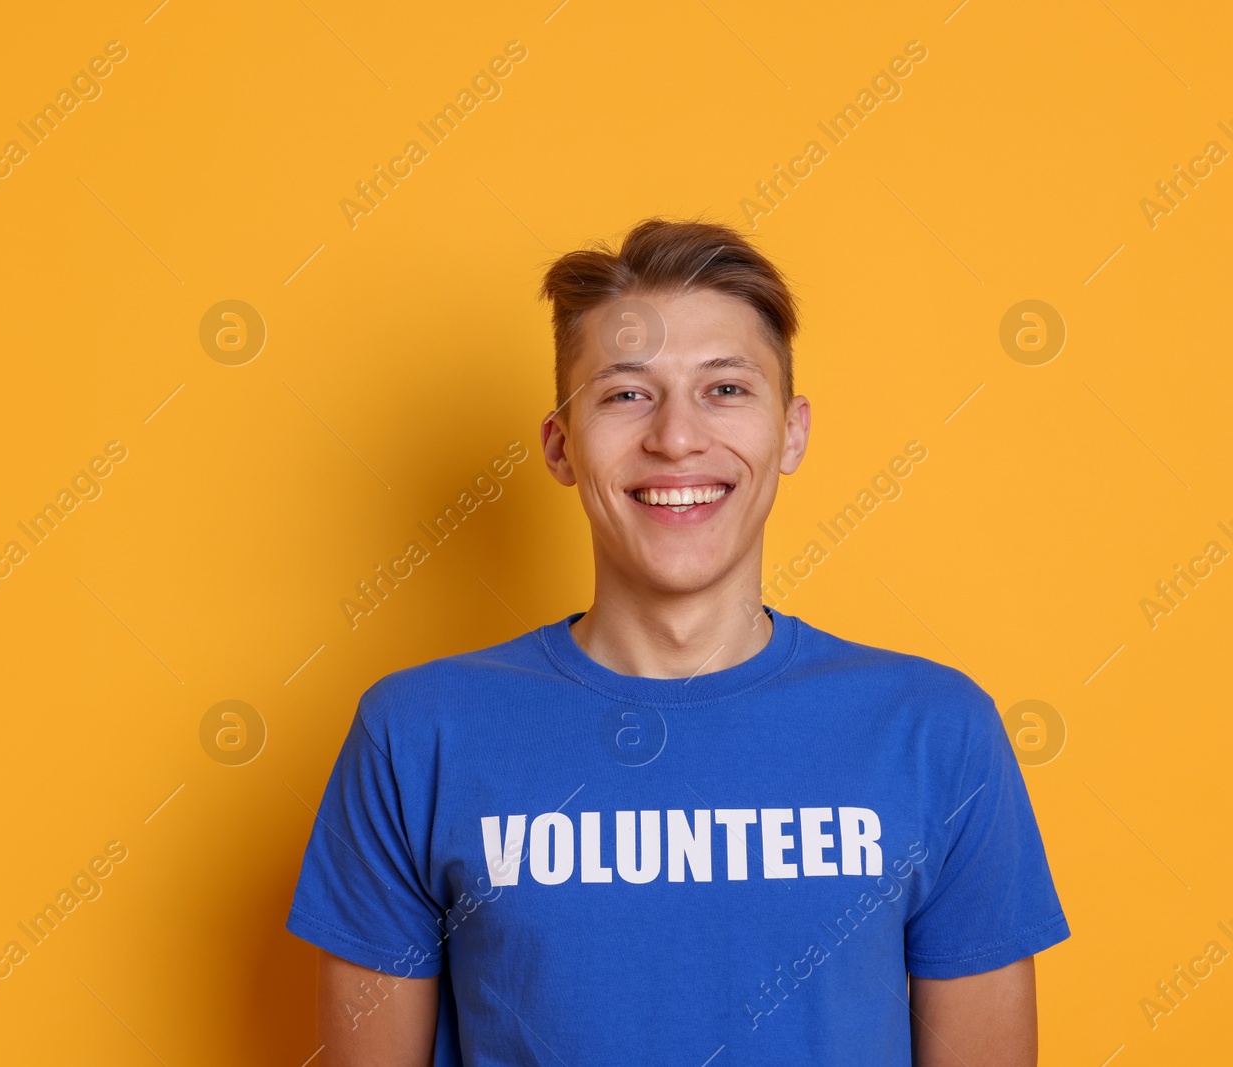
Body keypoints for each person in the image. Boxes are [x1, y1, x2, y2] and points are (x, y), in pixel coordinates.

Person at [284, 217, 1070, 1065]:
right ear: (560, 444)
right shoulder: (416, 735)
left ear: (792, 430)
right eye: (626, 394)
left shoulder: (936, 730)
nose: (677, 437)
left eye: (725, 388)